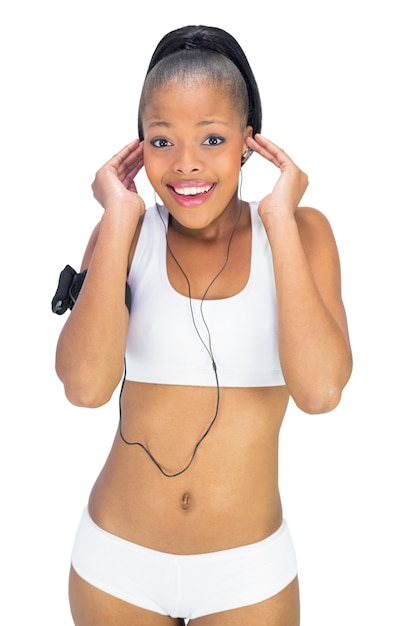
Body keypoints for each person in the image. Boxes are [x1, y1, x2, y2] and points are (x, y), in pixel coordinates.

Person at [53, 24, 352, 626]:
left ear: (248, 141)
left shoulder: (303, 231)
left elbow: (320, 392)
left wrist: (279, 217)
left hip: (246, 574)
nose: (185, 164)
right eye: (162, 142)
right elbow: (85, 388)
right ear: (139, 146)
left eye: (211, 138)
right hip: (116, 564)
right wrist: (117, 216)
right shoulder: (126, 232)